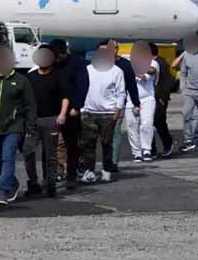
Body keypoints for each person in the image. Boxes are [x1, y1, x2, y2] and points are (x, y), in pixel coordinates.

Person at [0, 47, 36, 204]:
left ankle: (3, 191)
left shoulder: (21, 81)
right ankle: (13, 183)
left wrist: (30, 128)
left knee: (8, 158)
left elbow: (30, 106)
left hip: (14, 127)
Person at [24, 45, 66, 197]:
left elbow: (65, 97)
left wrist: (62, 114)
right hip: (33, 120)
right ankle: (33, 181)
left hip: (51, 119)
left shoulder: (58, 76)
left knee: (50, 154)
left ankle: (50, 182)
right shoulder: (30, 77)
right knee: (28, 151)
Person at [80, 46, 126, 184]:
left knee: (106, 143)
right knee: (88, 144)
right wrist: (82, 109)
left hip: (108, 113)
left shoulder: (116, 71)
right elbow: (82, 89)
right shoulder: (88, 70)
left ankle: (106, 170)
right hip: (89, 112)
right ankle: (90, 171)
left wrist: (117, 110)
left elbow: (121, 92)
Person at [51, 39, 88, 189]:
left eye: (59, 56)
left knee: (72, 144)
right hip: (51, 109)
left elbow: (82, 85)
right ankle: (53, 175)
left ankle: (72, 174)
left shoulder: (76, 64)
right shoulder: (50, 64)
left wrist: (77, 106)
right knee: (51, 145)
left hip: (71, 109)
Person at [103, 40, 141, 170]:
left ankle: (113, 162)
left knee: (116, 133)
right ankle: (105, 160)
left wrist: (136, 103)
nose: (113, 50)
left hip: (118, 104)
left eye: (115, 48)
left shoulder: (125, 65)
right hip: (100, 105)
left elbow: (131, 84)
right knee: (102, 135)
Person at [124, 41, 158, 162]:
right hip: (130, 99)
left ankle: (147, 150)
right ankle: (136, 153)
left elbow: (149, 73)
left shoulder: (153, 62)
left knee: (147, 124)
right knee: (132, 126)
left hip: (147, 98)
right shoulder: (127, 61)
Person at [150, 44, 176, 157]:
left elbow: (168, 81)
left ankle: (168, 142)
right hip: (150, 98)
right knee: (148, 123)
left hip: (159, 98)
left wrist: (162, 98)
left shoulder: (161, 63)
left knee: (158, 122)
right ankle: (151, 150)